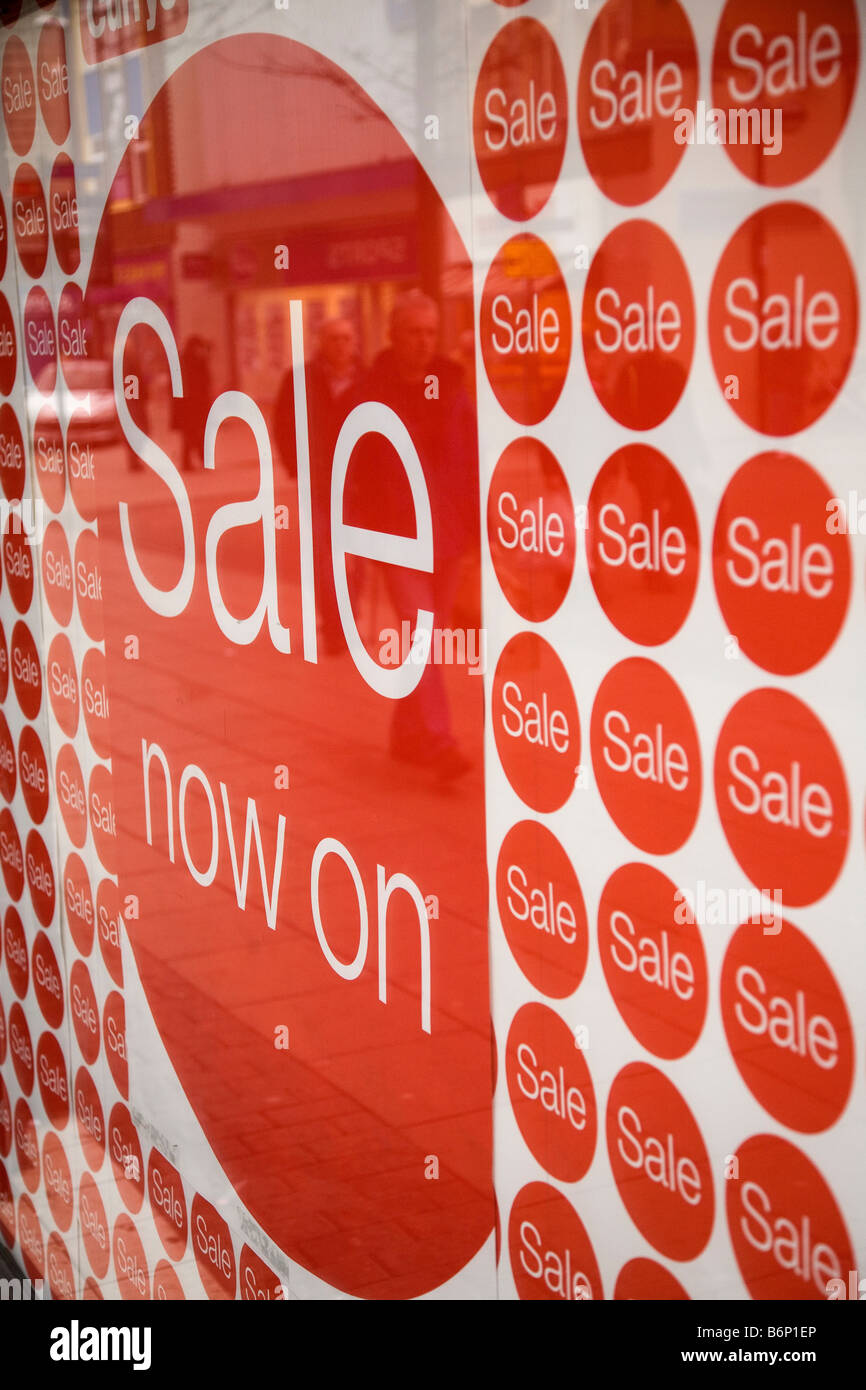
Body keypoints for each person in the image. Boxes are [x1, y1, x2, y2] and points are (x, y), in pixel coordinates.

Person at [346, 290, 478, 781]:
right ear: (392, 335)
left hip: (446, 534)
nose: (423, 343)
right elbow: (351, 468)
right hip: (396, 536)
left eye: (430, 332)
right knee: (422, 635)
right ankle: (440, 739)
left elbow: (471, 458)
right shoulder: (370, 392)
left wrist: (477, 532)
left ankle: (405, 734)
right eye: (413, 333)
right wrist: (352, 539)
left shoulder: (452, 386)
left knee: (429, 640)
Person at [272, 315, 362, 653]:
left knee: (357, 559)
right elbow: (283, 423)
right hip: (320, 483)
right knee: (327, 557)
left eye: (347, 339)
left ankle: (349, 619)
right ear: (321, 344)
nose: (342, 346)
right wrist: (297, 467)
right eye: (335, 339)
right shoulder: (300, 380)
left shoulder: (365, 380)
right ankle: (335, 626)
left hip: (359, 486)